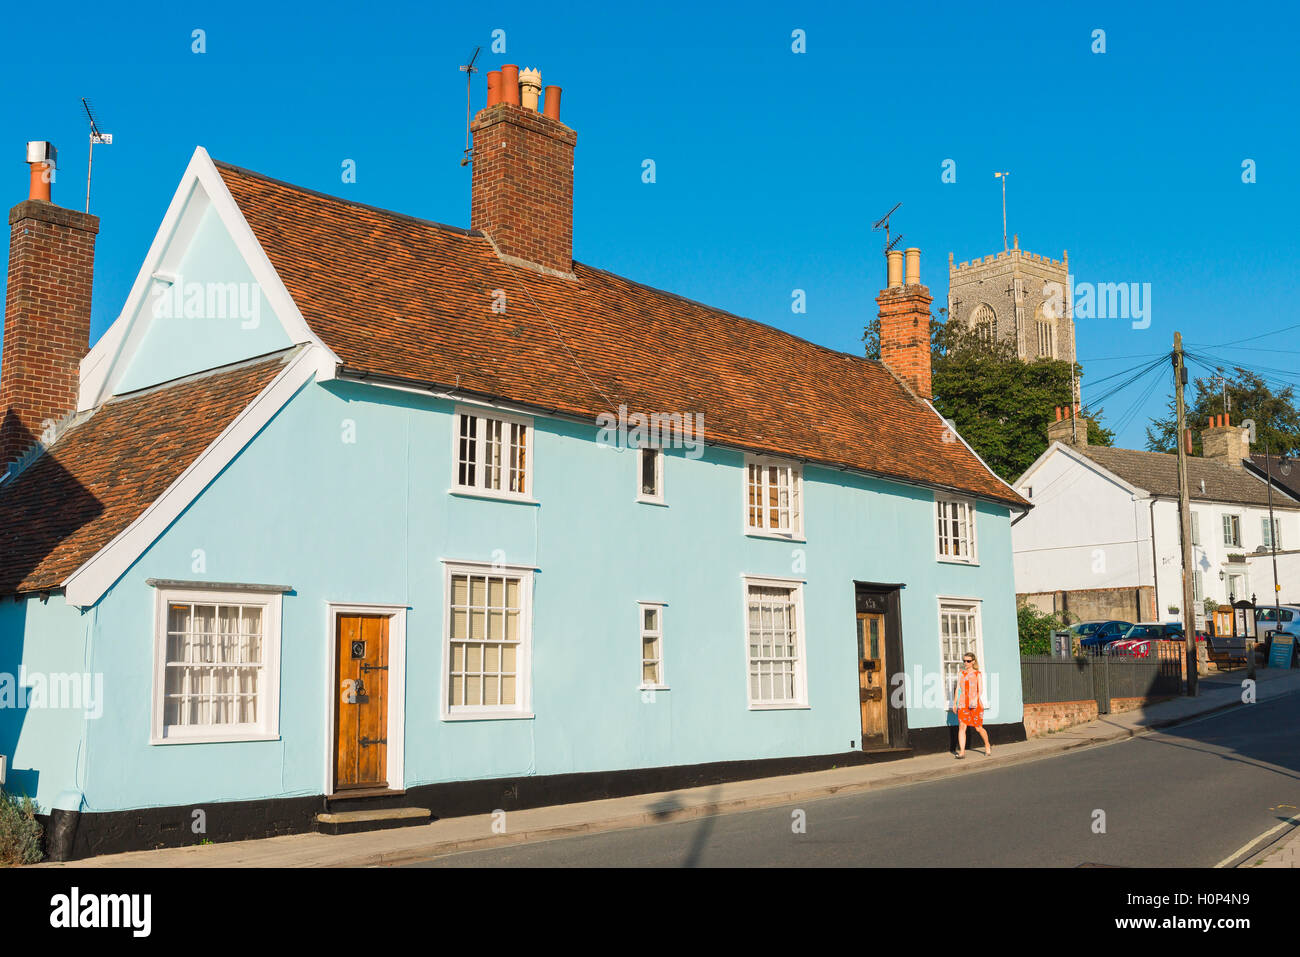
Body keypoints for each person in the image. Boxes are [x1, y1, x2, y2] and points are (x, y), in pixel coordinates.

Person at [952, 653, 991, 758]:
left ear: (973, 661)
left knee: (978, 728)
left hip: (975, 704)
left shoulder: (977, 673)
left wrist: (975, 699)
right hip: (963, 703)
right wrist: (955, 703)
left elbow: (980, 689)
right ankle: (962, 752)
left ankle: (987, 744)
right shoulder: (961, 673)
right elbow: (958, 689)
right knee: (962, 726)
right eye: (964, 661)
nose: (966, 663)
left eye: (968, 661)